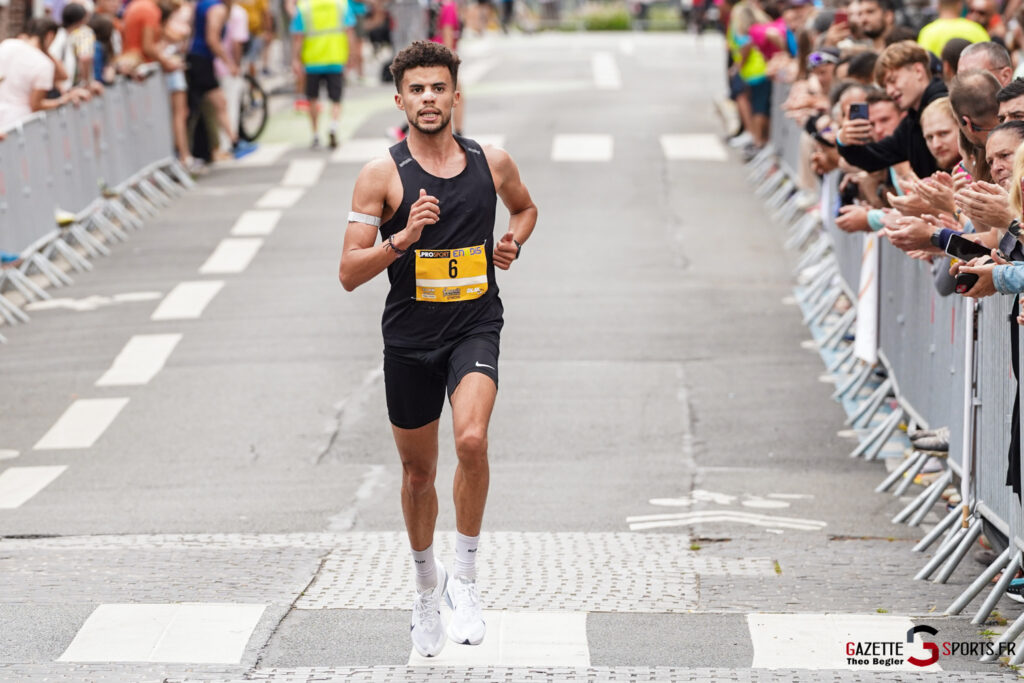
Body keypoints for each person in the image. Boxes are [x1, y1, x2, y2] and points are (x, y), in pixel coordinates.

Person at [339, 40, 537, 658]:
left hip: (474, 325)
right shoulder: (381, 175)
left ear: (456, 95)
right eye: (417, 90)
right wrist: (403, 238)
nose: (429, 99)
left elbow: (526, 209)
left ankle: (467, 580)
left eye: (438, 88)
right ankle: (428, 585)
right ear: (400, 101)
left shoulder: (491, 162)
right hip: (409, 340)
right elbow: (348, 272)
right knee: (418, 473)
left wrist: (512, 241)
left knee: (472, 440)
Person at [837, 40, 949, 179]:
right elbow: (874, 158)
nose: (889, 91)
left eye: (893, 80)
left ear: (918, 71)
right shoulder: (911, 121)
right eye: (885, 86)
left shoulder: (947, 106)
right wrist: (844, 140)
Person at [187, 0, 255, 159]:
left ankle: (228, 142)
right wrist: (229, 62)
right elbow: (212, 39)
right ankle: (233, 142)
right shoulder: (216, 8)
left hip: (199, 60)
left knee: (200, 107)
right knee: (218, 103)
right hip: (201, 61)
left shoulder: (202, 4)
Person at [290, 0, 356, 149]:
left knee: (312, 98)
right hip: (335, 58)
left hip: (312, 61)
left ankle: (315, 135)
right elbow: (349, 32)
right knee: (336, 98)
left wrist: (295, 59)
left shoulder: (304, 7)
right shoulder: (341, 4)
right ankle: (333, 125)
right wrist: (352, 55)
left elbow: (298, 37)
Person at [0, 18, 73, 130]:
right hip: (19, 122)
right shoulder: (44, 64)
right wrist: (61, 101)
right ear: (50, 35)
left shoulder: (7, 44)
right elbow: (36, 104)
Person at [917, 0, 989, 58]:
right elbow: (989, 56)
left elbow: (924, 60)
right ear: (960, 5)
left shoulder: (927, 32)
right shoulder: (977, 29)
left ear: (938, 6)